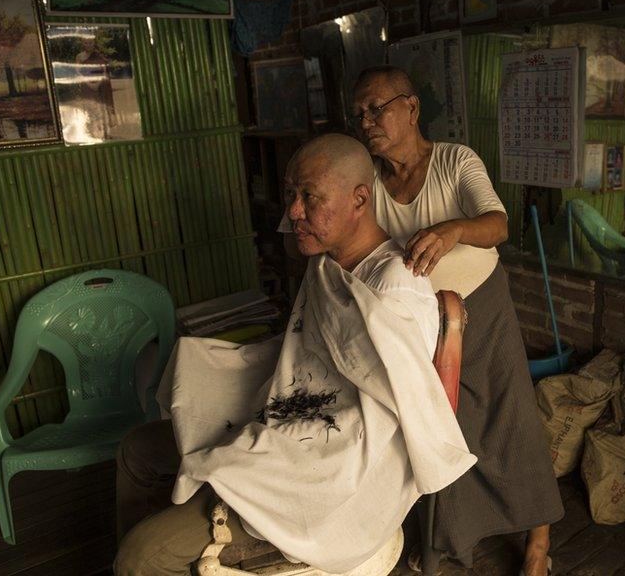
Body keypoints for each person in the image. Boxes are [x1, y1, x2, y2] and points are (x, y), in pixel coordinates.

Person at [114, 134, 475, 575]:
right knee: (138, 450)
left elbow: (368, 435)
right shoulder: (327, 264)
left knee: (141, 557)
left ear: (360, 198)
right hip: (283, 425)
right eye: (291, 195)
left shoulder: (394, 289)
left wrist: (256, 457)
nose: (293, 213)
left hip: (327, 476)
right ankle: (180, 526)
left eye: (309, 197)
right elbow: (306, 362)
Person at [348, 65, 563, 576]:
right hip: (423, 323)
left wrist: (453, 230)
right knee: (440, 428)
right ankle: (448, 540)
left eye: (377, 108)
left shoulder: (454, 161)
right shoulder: (371, 185)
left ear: (411, 107)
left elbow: (499, 225)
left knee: (513, 418)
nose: (368, 121)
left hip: (483, 307)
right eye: (359, 114)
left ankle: (538, 544)